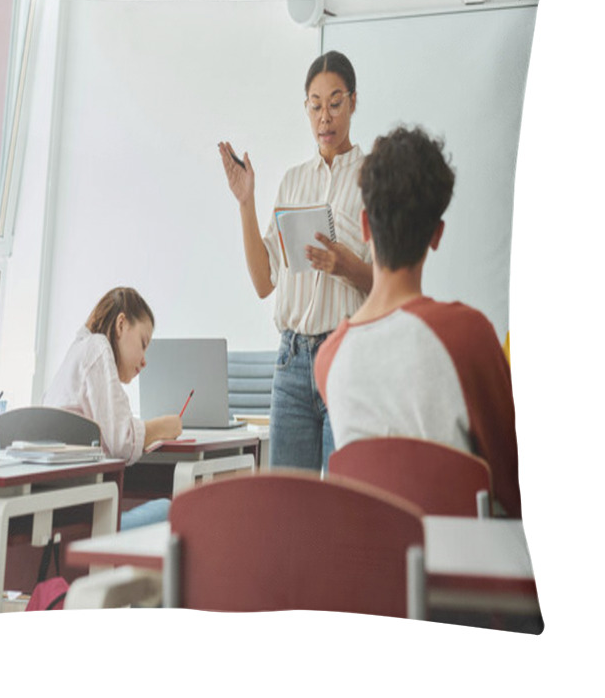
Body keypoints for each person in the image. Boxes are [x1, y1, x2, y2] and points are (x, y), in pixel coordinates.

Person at [314, 125, 521, 517]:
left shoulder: (328, 359)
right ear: (437, 235)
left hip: (372, 572)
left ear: (363, 225)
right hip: (463, 569)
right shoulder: (468, 335)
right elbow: (512, 488)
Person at [219, 51, 372, 471]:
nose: (325, 117)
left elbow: (386, 282)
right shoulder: (293, 180)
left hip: (345, 357)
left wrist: (346, 266)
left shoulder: (373, 177)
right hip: (290, 362)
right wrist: (246, 202)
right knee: (288, 509)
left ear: (354, 103)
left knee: (340, 505)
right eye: (316, 105)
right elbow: (264, 282)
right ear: (306, 108)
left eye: (336, 103)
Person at [43, 287, 182, 529]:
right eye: (143, 343)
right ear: (121, 325)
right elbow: (122, 440)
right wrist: (163, 426)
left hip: (57, 518)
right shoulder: (97, 347)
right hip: (84, 523)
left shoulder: (76, 353)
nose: (144, 360)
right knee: (171, 509)